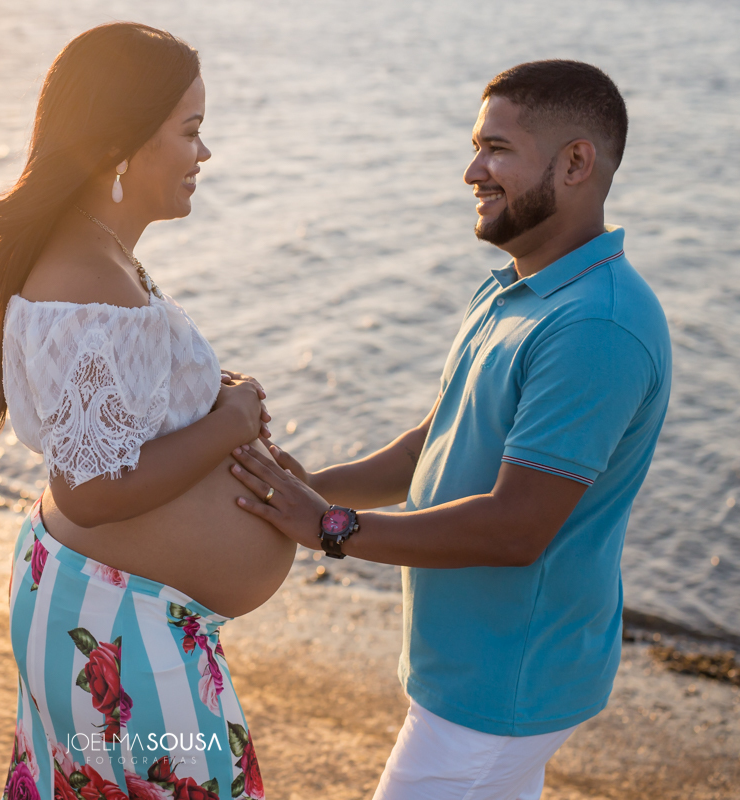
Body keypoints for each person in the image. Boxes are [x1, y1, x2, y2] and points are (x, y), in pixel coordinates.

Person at [229, 60, 671, 799]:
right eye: (475, 147)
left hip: (505, 685)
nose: (472, 171)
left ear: (575, 163)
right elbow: (427, 445)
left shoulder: (596, 324)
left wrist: (333, 528)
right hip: (469, 667)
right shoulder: (514, 291)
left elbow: (514, 530)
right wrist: (303, 489)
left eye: (497, 149)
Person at [0, 22, 292, 800]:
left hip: (117, 607)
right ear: (121, 145)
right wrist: (229, 423)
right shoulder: (89, 280)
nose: (204, 153)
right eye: (190, 130)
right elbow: (91, 488)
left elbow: (110, 426)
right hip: (123, 626)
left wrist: (208, 398)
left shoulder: (96, 262)